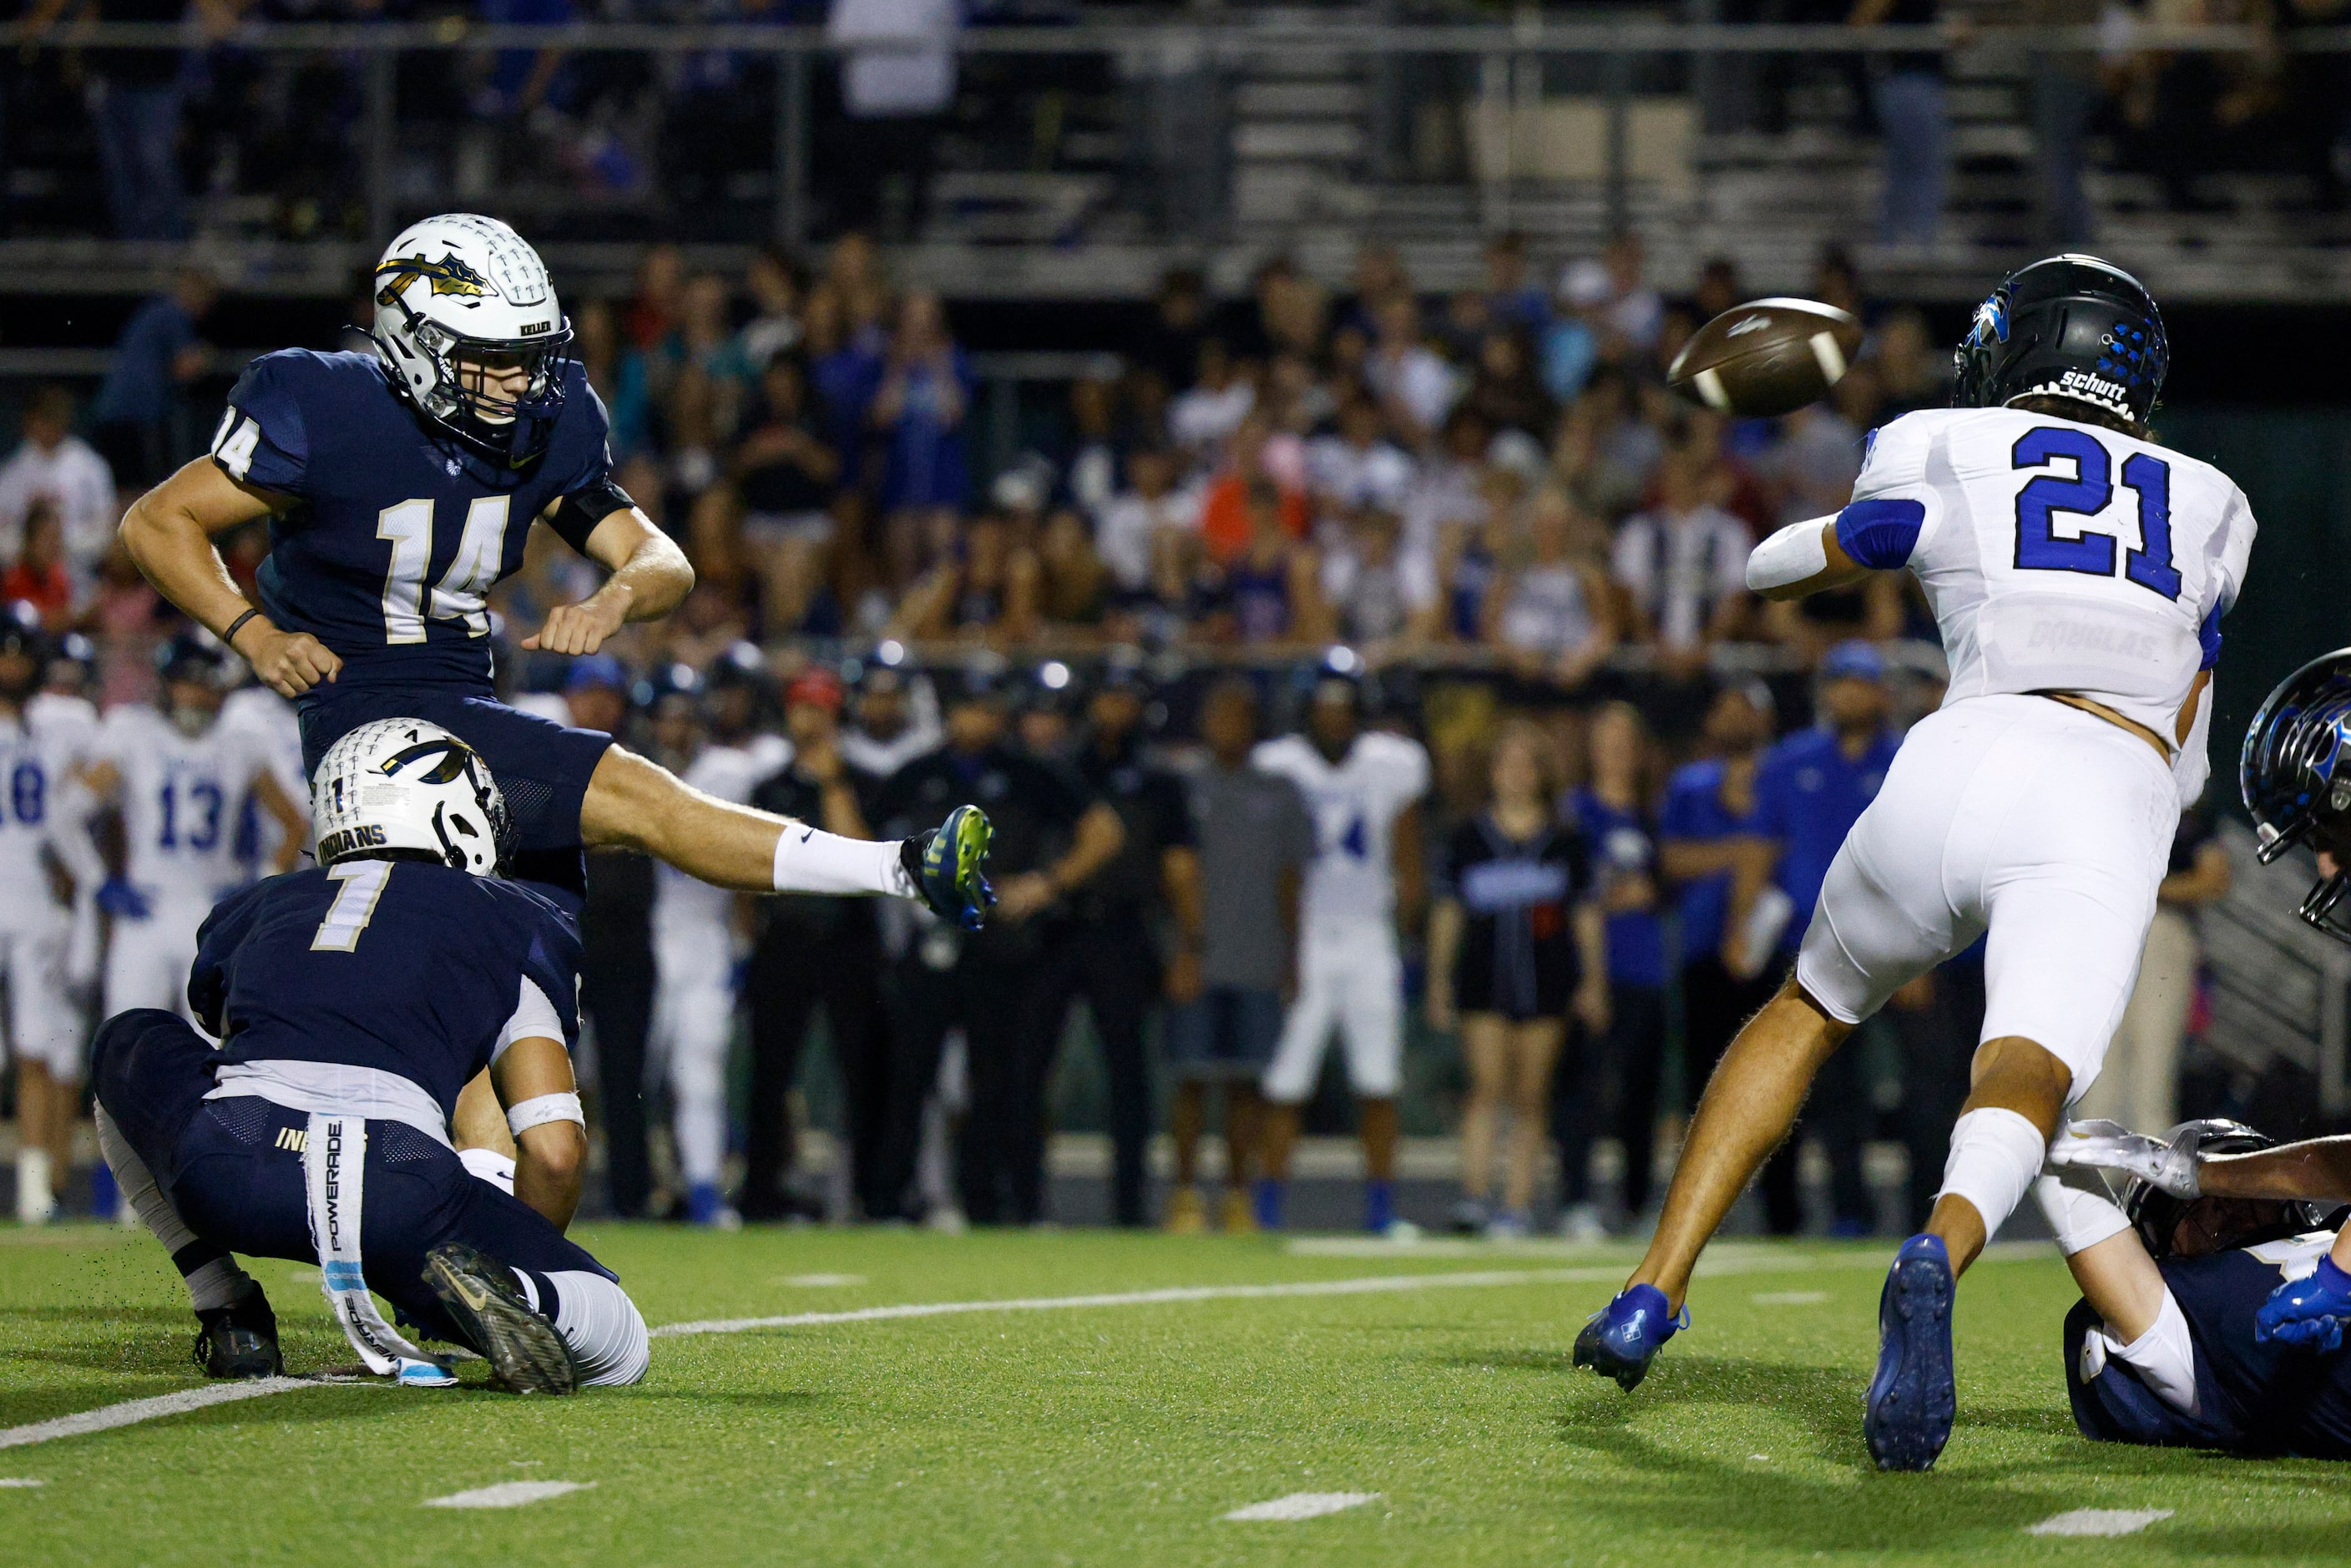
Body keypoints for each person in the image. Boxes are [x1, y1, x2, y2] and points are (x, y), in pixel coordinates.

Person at [1580, 256, 2257, 1474]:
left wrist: (1829, 538)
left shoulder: (1937, 439)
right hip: (2107, 782)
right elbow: (2193, 743)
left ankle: (1651, 1289)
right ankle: (1940, 1244)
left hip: (1955, 755)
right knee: (2027, 1068)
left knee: (1808, 1005)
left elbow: (1773, 568)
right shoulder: (2216, 500)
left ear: (2015, 351)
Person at [113, 213, 990, 928]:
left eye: (526, 355)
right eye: (492, 358)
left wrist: (615, 598)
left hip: (463, 702)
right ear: (416, 343)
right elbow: (158, 521)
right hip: (369, 721)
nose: (518, 381)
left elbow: (661, 558)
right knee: (640, 799)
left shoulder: (552, 417)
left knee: (534, 1104)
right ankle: (901, 867)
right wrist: (253, 634)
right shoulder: (324, 403)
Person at [94, 720, 646, 1393]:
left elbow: (220, 1034)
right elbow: (555, 1150)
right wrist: (511, 1243)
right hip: (396, 1185)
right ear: (459, 815)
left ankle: (227, 1307)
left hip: (233, 1163)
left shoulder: (258, 904)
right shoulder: (511, 918)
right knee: (620, 1343)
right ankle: (516, 1293)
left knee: (126, 1038)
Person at [872, 670, 1124, 1226]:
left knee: (1001, 1083)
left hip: (1002, 946)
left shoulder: (1029, 774)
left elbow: (1106, 832)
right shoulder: (921, 772)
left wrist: (1046, 883)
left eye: (985, 708)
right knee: (909, 1077)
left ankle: (992, 1204)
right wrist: (904, 884)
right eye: (966, 707)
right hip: (932, 942)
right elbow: (859, 836)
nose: (975, 719)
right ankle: (888, 1202)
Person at [2040, 1115, 2351, 1456]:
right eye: (2193, 1205)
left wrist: (2203, 1174)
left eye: (2246, 1192)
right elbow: (2114, 1264)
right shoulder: (2189, 1306)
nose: (2226, 1205)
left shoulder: (2336, 1235)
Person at [1251, 663, 1430, 1235]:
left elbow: (1408, 854)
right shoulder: (1280, 763)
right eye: (1324, 706)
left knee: (1378, 1078)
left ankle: (1381, 1208)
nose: (1334, 717)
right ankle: (1266, 1206)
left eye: (1344, 706)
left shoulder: (1391, 763)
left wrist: (1409, 935)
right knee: (1285, 1080)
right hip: (1301, 937)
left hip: (1367, 933)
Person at [1742, 641, 1904, 1237]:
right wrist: (1742, 925)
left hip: (1896, 947)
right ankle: (1813, 1215)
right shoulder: (1789, 761)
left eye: (1859, 684)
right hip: (1809, 945)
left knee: (1905, 1088)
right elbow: (1762, 847)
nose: (1848, 695)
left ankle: (1913, 1216)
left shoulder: (1908, 757)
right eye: (1839, 684)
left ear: (1881, 693)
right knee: (1807, 1084)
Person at [67, 633, 309, 1029]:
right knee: (125, 1044)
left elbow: (295, 822)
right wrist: (99, 882)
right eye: (188, 682)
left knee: (210, 1049)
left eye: (206, 684)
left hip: (209, 911)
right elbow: (69, 814)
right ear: (166, 684)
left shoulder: (242, 740)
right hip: (146, 910)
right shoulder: (133, 732)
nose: (196, 695)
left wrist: (258, 882)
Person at [1031, 662, 1200, 1228]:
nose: (1114, 709)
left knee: (1129, 1076)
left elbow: (1180, 870)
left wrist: (1187, 947)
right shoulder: (1058, 769)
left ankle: (1129, 1208)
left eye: (1125, 698)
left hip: (1125, 931)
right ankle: (1026, 1202)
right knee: (1032, 1069)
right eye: (1108, 696)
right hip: (1057, 929)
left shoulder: (1159, 779)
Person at [1427, 721, 1606, 1240]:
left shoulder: (1566, 843)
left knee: (1531, 1094)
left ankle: (1516, 1204)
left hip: (1547, 982)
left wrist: (1592, 981)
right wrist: (1440, 980)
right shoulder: (1467, 838)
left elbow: (1586, 917)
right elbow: (1447, 914)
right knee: (1486, 1087)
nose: (1517, 775)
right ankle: (1475, 1196)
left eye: (1528, 765)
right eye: (1507, 763)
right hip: (1483, 980)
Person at [742, 665, 892, 1222]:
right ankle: (760, 1196)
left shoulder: (865, 783)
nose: (810, 718)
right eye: (802, 706)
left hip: (848, 940)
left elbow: (865, 863)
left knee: (863, 1071)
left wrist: (832, 785)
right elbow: (744, 865)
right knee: (770, 1075)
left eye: (821, 708)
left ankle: (871, 1199)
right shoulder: (770, 787)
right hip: (785, 939)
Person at [1163, 678, 1312, 1235]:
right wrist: (1181, 948)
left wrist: (1294, 956)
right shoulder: (1183, 784)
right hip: (1197, 956)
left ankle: (1236, 1195)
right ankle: (1181, 1194)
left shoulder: (1280, 790)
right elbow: (1171, 874)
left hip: (1258, 953)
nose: (1229, 726)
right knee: (1191, 1080)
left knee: (1247, 1084)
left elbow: (1292, 880)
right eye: (1220, 715)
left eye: (1240, 716)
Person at [646, 650, 789, 1226]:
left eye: (686, 717)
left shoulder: (730, 771)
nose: (676, 728)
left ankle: (705, 1192)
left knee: (697, 1069)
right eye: (666, 717)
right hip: (644, 943)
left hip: (705, 942)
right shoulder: (631, 770)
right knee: (631, 1076)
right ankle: (659, 1183)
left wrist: (744, 941)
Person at [0, 616, 94, 1223]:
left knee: (38, 1048)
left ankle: (36, 1191)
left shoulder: (64, 724)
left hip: (36, 901)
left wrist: (81, 869)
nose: (13, 664)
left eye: (19, 653)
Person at [1567, 702, 1670, 1233]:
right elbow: (1566, 888)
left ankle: (1634, 1205)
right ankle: (1577, 1201)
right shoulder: (1575, 810)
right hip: (1592, 970)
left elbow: (1668, 886)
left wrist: (1653, 891)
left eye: (1624, 739)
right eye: (1605, 738)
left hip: (1645, 969)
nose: (1615, 750)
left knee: (1640, 1094)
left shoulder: (1653, 813)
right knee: (1584, 1089)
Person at [1657, 682, 1777, 1132]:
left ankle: (1779, 1199)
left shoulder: (1784, 778)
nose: (1732, 719)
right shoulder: (1689, 784)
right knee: (1702, 1077)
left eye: (1743, 709)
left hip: (1776, 947)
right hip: (1702, 947)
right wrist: (1742, 852)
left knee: (1773, 1077)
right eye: (1723, 708)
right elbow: (1671, 859)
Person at [2073, 803, 2232, 1136]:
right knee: (2096, 1080)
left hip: (2161, 928)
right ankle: (2091, 1182)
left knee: (2152, 1078)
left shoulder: (2184, 802)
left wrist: (2146, 890)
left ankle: (2146, 1183)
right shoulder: (2108, 788)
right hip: (2103, 926)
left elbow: (2214, 877)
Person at [564, 655, 657, 1217]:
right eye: (590, 692)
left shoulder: (643, 764)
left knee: (627, 1080)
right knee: (545, 1077)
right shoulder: (546, 758)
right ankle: (532, 1194)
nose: (600, 703)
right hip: (565, 938)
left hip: (626, 941)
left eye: (609, 693)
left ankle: (632, 1198)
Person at [0, 385, 116, 595]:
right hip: (26, 586)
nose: (47, 427)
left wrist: (63, 544)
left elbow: (107, 530)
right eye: (42, 420)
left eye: (53, 419)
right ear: (29, 422)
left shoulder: (90, 467)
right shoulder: (11, 472)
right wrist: (32, 549)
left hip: (79, 582)